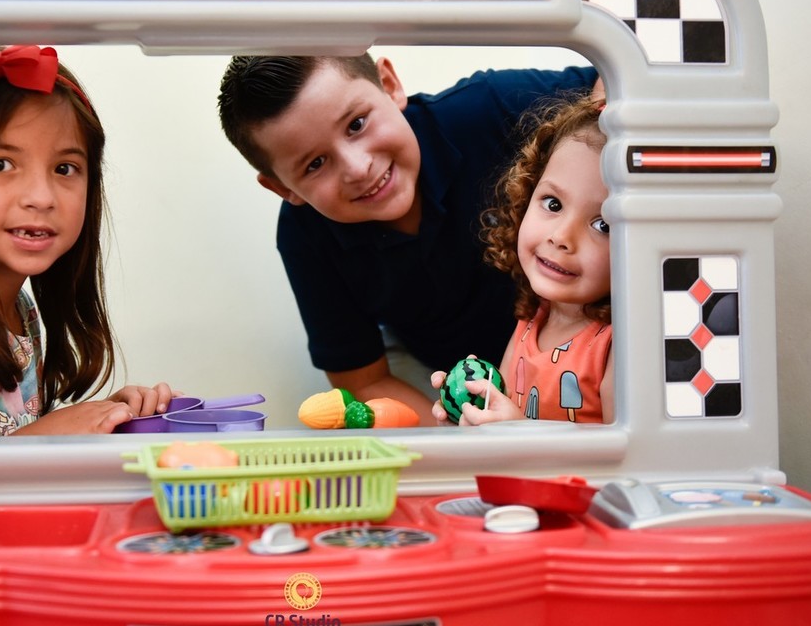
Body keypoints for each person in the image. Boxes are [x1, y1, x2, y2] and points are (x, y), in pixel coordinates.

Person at [217, 54, 599, 423]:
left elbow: (616, 80)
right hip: (443, 384)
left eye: (356, 124)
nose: (358, 168)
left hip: (586, 338)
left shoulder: (487, 107)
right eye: (315, 164)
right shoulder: (305, 237)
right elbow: (365, 380)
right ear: (283, 188)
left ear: (389, 84)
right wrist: (467, 440)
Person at [0, 45, 174, 438]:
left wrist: (104, 416)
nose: (41, 197)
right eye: (0, 164)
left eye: (65, 168)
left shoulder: (19, 308)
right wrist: (48, 435)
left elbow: (3, 433)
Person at [431, 94, 613, 425]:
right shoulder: (531, 321)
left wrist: (514, 430)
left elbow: (630, 451)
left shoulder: (616, 346)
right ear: (527, 196)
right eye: (553, 204)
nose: (561, 236)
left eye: (603, 225)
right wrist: (473, 415)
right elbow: (504, 421)